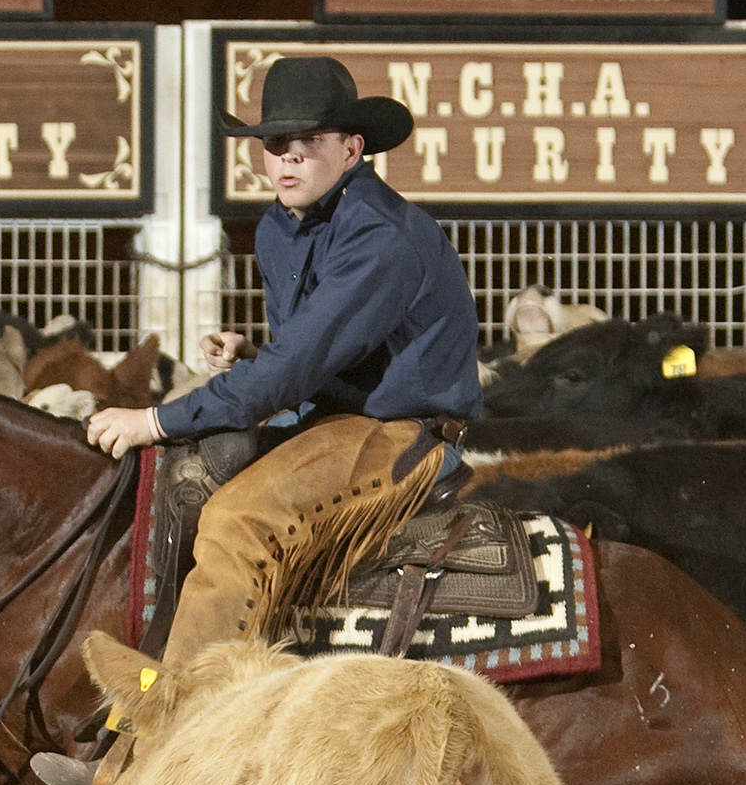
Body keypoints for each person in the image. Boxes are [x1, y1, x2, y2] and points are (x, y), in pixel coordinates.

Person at [86, 55, 482, 666]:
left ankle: (175, 733)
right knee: (179, 485)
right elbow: (310, 353)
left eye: (309, 143)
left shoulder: (381, 236)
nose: (288, 158)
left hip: (404, 436)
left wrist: (155, 421)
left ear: (352, 150)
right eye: (276, 143)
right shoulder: (279, 229)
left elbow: (295, 369)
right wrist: (256, 356)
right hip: (338, 423)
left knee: (236, 521)